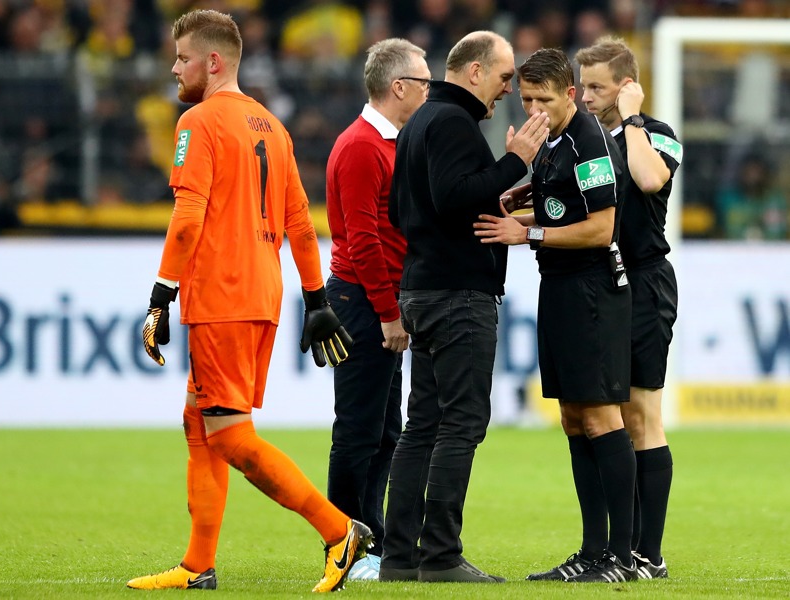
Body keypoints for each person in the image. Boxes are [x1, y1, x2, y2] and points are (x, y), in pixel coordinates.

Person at [128, 10, 369, 594]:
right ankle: (197, 565)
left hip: (221, 297)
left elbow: (187, 218)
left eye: (182, 57)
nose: (174, 67)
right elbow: (300, 225)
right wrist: (316, 300)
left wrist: (161, 295)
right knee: (200, 421)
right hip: (262, 293)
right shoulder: (270, 126)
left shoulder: (199, 122)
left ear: (213, 62)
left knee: (230, 434)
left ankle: (339, 531)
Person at [381, 31, 549, 584]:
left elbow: (409, 207)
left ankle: (401, 555)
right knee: (462, 423)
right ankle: (442, 555)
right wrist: (513, 163)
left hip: (421, 289)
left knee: (420, 425)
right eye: (503, 77)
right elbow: (454, 196)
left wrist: (496, 194)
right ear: (474, 72)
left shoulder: (418, 124)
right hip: (457, 296)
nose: (508, 89)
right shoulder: (453, 123)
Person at [474, 47, 637, 583]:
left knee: (601, 417)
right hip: (561, 288)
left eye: (544, 99)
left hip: (593, 291)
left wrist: (528, 232)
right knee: (572, 418)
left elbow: (602, 228)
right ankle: (592, 552)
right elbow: (555, 202)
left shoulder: (589, 142)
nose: (534, 109)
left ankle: (620, 555)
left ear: (571, 93)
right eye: (526, 100)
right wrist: (518, 197)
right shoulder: (550, 140)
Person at [575, 36, 682, 579]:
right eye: (582, 85)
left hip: (645, 284)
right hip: (602, 288)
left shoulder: (658, 135)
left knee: (641, 416)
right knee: (599, 418)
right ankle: (605, 550)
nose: (585, 95)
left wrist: (634, 119)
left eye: (596, 86)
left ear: (627, 86)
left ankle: (649, 553)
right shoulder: (584, 141)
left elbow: (648, 178)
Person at [324, 37, 429, 581]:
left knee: (386, 431)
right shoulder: (364, 146)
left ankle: (371, 540)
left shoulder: (386, 142)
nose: (430, 91)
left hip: (374, 299)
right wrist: (390, 314)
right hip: (363, 303)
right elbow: (362, 241)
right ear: (399, 87)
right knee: (359, 431)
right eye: (425, 82)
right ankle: (343, 545)